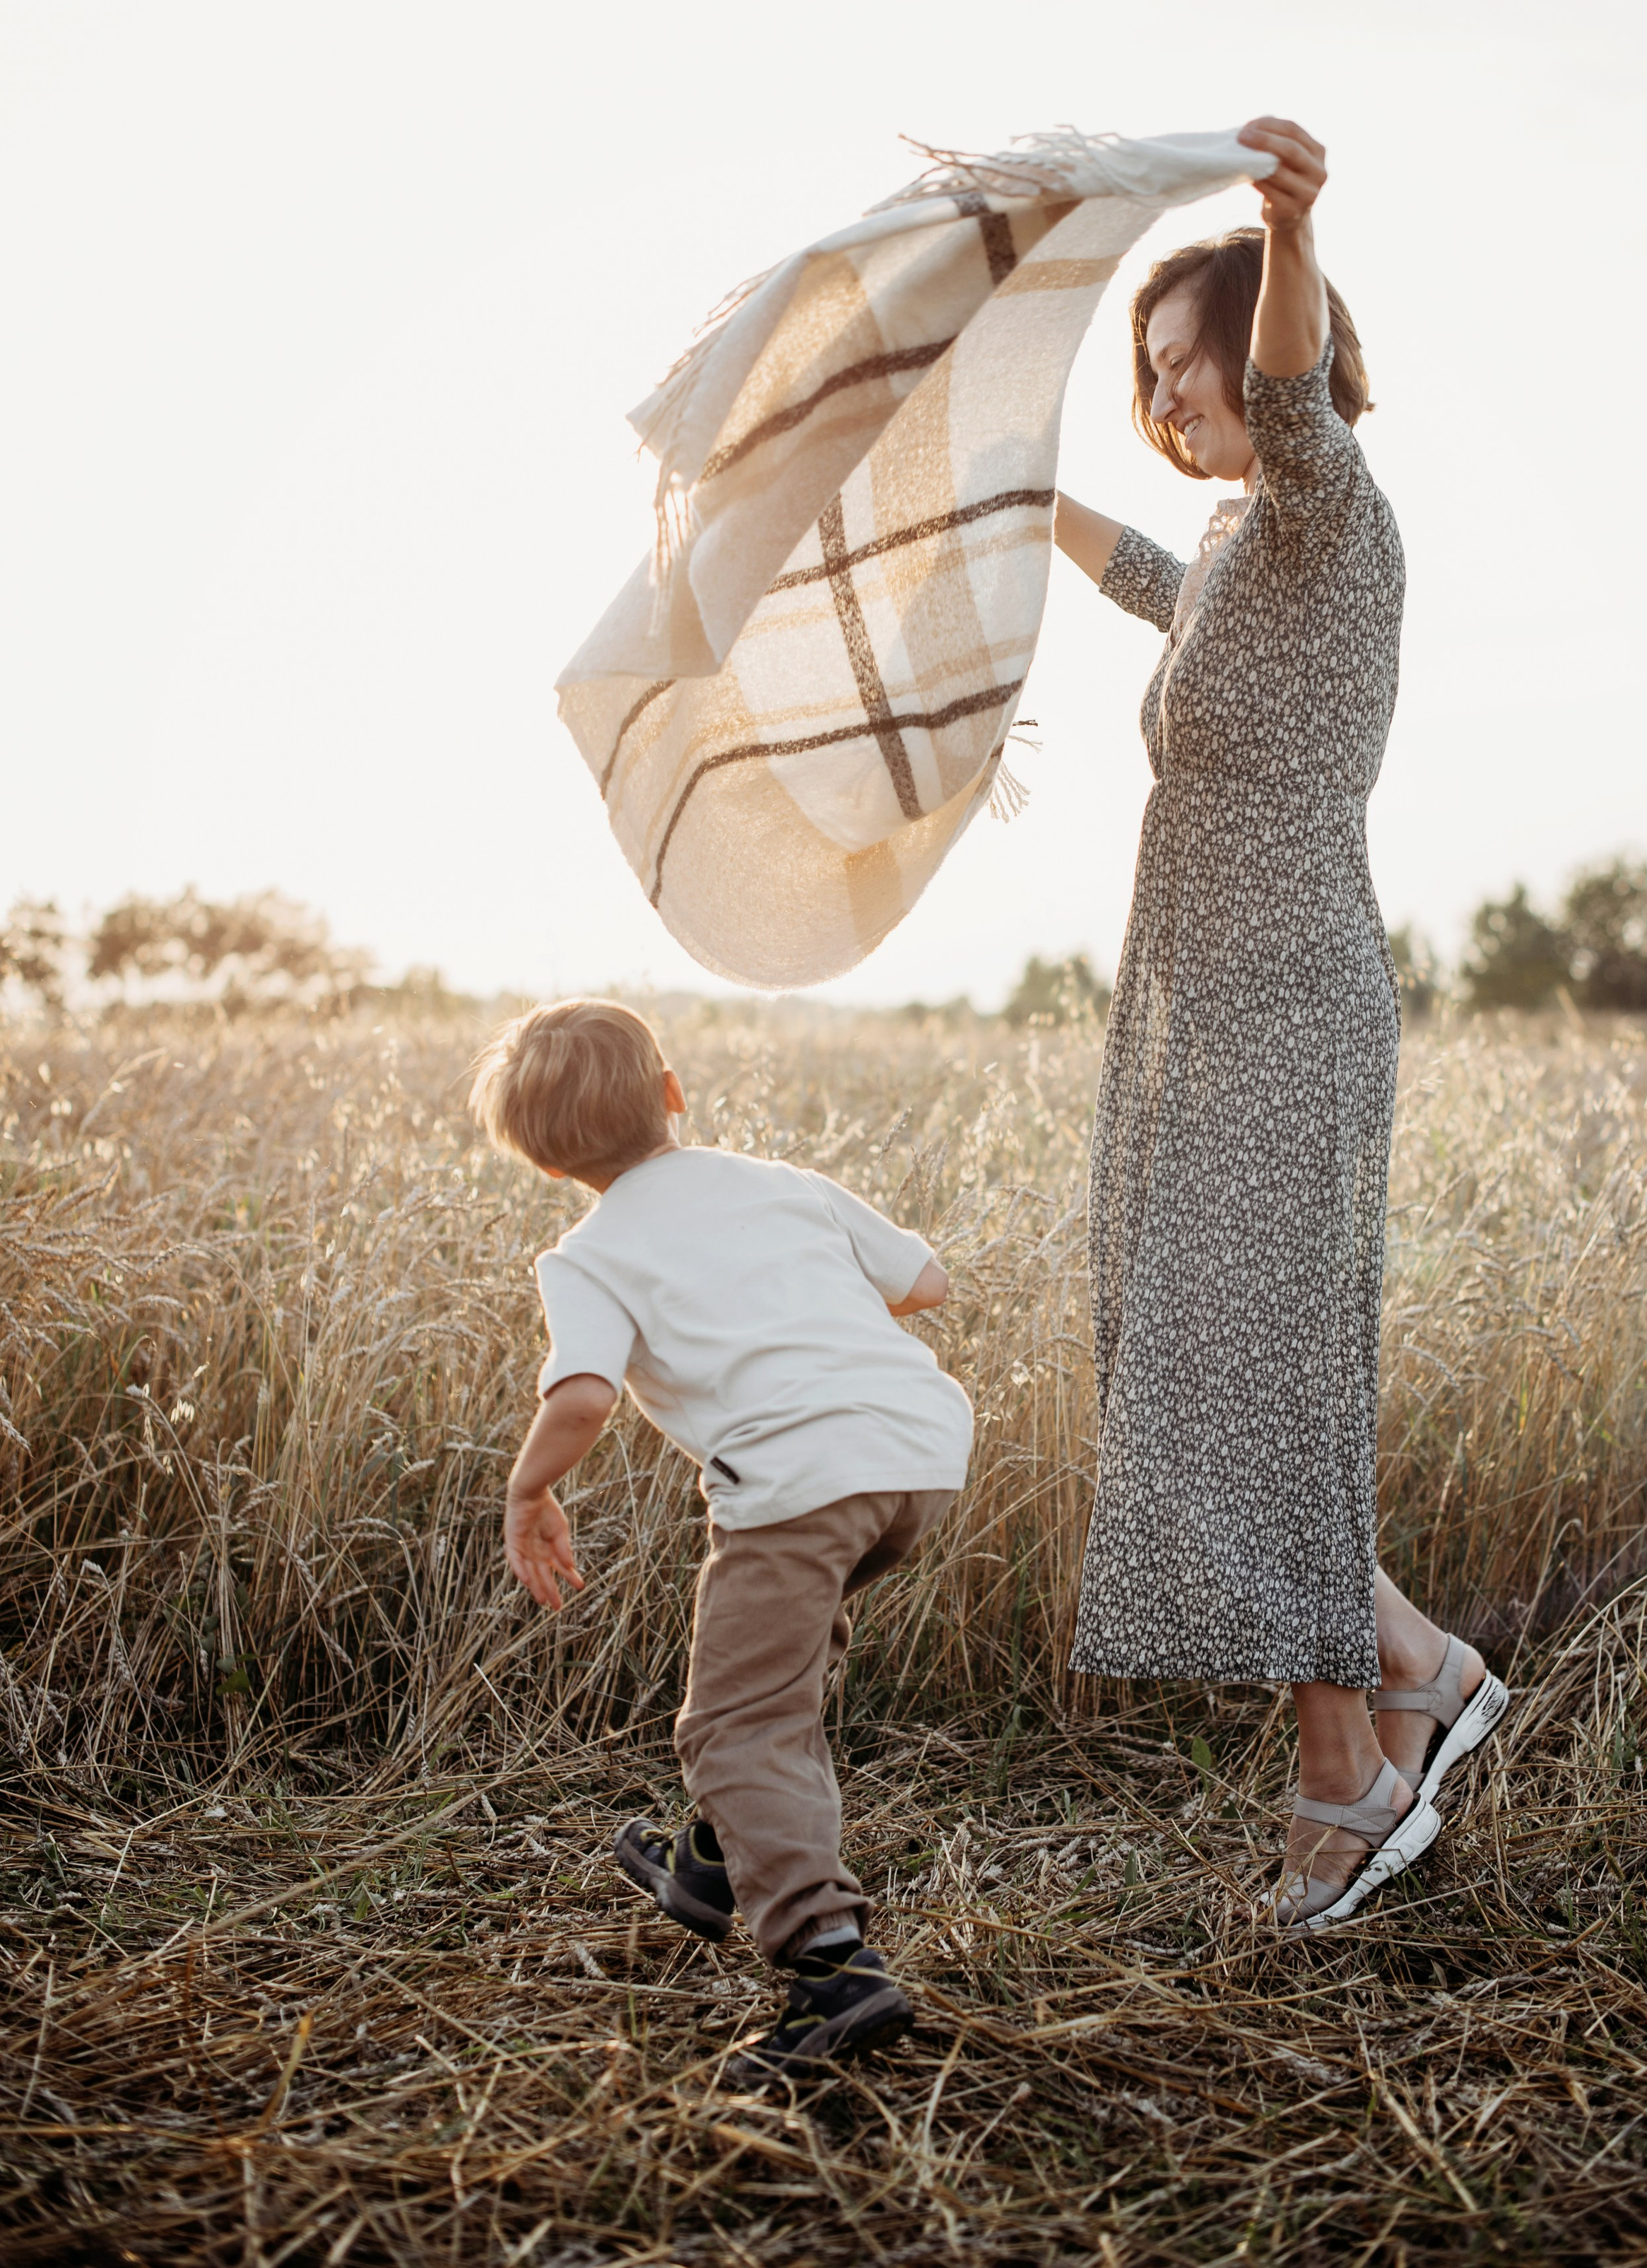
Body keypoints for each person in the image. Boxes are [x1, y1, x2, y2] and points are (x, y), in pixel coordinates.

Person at [1053, 119, 1508, 1925]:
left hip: (1281, 997)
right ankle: (1418, 1663)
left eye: (1192, 366)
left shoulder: (1325, 500)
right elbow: (1147, 590)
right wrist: (1013, 498)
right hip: (1201, 999)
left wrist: (1285, 225)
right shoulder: (1239, 547)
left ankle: (1352, 1770)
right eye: (1151, 383)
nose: (1173, 405)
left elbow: (1291, 391)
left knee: (1253, 1375)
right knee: (1197, 1369)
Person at [468, 998, 968, 2071]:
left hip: (795, 1486)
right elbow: (926, 1282)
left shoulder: (588, 1253)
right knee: (779, 1671)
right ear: (672, 1093)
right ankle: (708, 1863)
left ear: (548, 1165)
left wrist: (527, 1495)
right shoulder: (783, 1184)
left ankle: (830, 1966)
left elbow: (585, 1397)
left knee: (734, 1726)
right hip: (919, 1461)